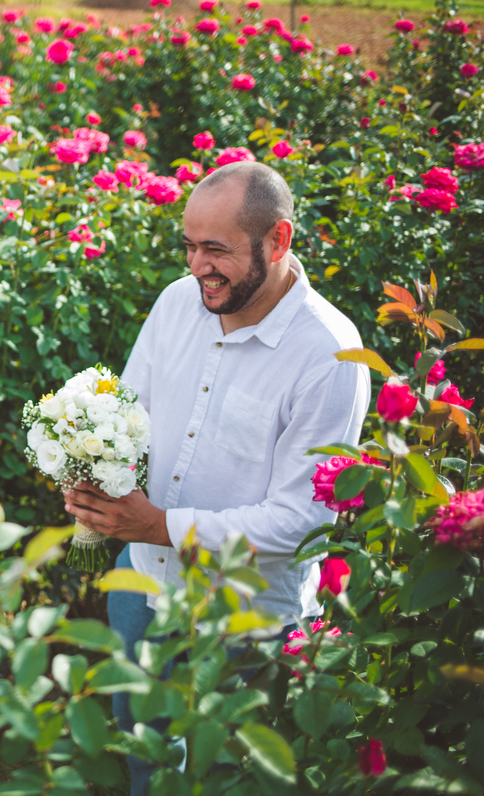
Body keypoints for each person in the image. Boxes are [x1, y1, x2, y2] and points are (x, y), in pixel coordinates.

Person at [63, 161, 370, 796]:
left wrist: (158, 525)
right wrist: (88, 467)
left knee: (229, 778)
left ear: (278, 241)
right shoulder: (178, 303)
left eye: (216, 249)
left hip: (247, 623)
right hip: (144, 588)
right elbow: (126, 411)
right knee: (146, 761)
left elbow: (302, 521)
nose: (198, 265)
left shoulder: (329, 354)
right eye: (189, 246)